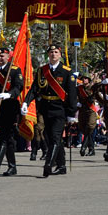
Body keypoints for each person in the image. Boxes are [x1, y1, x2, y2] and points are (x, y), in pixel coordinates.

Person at [22, 44, 78, 177]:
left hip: (60, 109)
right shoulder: (42, 70)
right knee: (50, 137)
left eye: (56, 52)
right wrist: (26, 101)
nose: (53, 54)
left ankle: (48, 164)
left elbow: (72, 94)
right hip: (45, 108)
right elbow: (35, 88)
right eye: (51, 52)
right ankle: (62, 165)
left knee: (55, 137)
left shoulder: (66, 71)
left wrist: (71, 113)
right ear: (48, 54)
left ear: (60, 55)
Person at [0, 47, 23, 176]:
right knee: (7, 137)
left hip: (10, 107)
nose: (0, 58)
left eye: (3, 56)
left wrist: (10, 94)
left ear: (8, 57)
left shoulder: (14, 70)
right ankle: (12, 167)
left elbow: (19, 86)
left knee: (5, 136)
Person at [76, 72, 98, 157]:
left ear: (89, 80)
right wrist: (77, 102)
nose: (84, 80)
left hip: (90, 110)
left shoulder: (92, 88)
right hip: (82, 110)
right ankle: (91, 149)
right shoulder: (79, 88)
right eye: (83, 78)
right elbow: (76, 96)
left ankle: (83, 148)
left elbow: (92, 97)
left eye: (86, 78)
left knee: (89, 128)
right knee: (84, 130)